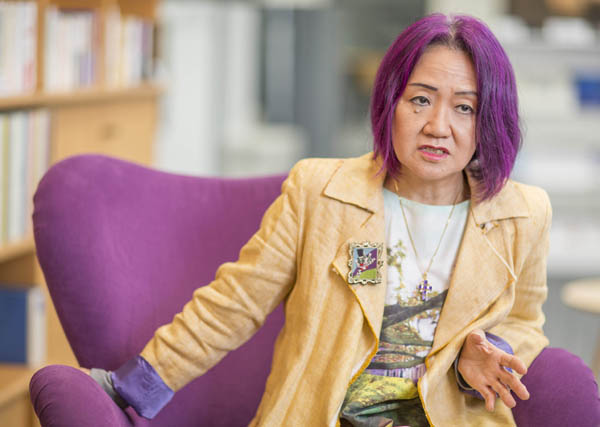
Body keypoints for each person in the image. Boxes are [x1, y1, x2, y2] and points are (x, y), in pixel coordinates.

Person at [83, 13, 598, 427]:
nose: (438, 126)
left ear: (489, 120)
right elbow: (235, 303)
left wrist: (484, 353)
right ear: (390, 102)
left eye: (465, 108)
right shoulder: (319, 192)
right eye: (420, 100)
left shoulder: (523, 213)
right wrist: (138, 384)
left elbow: (524, 321)